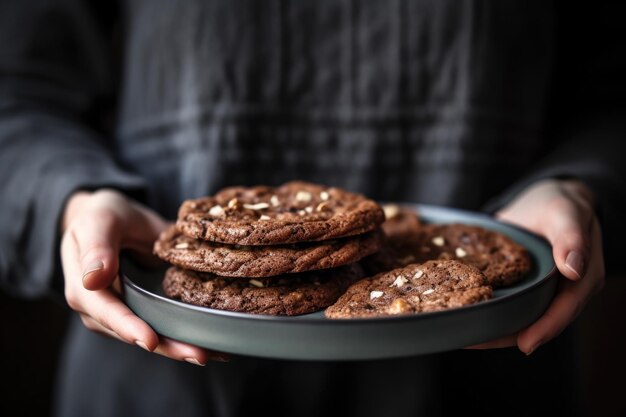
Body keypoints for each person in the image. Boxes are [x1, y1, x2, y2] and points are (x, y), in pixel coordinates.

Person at [0, 1, 623, 416]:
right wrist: (73, 194)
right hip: (163, 379)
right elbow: (17, 90)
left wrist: (580, 184)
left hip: (485, 377)